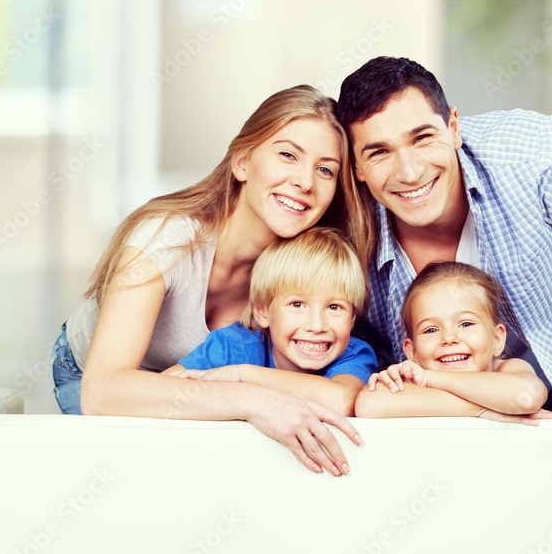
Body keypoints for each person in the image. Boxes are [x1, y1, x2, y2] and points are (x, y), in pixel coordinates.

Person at [337, 56, 552, 470]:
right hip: (425, 420)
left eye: (422, 138)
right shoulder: (342, 217)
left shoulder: (533, 153)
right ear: (357, 166)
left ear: (453, 127)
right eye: (379, 152)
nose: (410, 171)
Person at [51, 84, 373, 476]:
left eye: (325, 169)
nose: (306, 181)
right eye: (288, 155)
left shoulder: (304, 266)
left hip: (204, 381)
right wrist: (251, 398)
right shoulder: (167, 238)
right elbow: (102, 393)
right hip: (94, 375)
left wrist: (245, 392)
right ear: (241, 162)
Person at [162, 227, 379, 416]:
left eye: (334, 307)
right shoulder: (232, 345)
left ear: (352, 318)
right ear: (262, 311)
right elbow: (161, 390)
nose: (317, 326)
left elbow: (341, 401)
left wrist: (240, 375)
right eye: (297, 305)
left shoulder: (353, 354)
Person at [355, 261, 548, 420]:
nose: (449, 338)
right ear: (412, 352)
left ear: (496, 339)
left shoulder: (507, 369)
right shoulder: (412, 379)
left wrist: (429, 379)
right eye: (431, 329)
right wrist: (482, 410)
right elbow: (369, 405)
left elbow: (526, 397)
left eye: (465, 324)